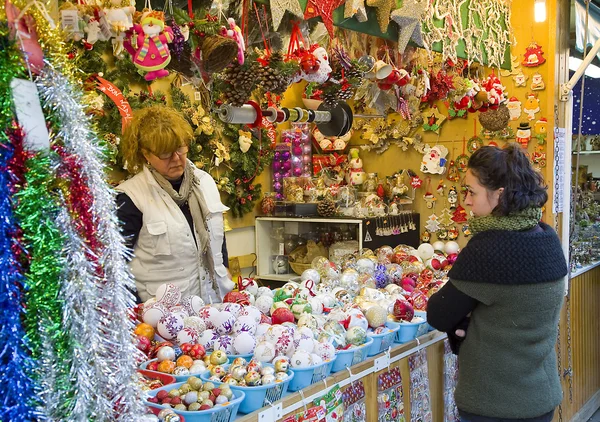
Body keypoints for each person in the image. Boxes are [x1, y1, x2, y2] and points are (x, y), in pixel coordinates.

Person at [427, 144, 568, 422]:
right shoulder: (548, 237)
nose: (465, 201)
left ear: (500, 195)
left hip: (494, 404)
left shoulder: (488, 249)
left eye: (472, 192)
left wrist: (464, 318)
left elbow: (439, 313)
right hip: (541, 397)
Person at [116, 105, 234, 303]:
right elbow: (116, 264)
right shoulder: (131, 197)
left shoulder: (204, 182)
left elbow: (216, 236)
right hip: (164, 316)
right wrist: (138, 310)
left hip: (216, 303)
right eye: (165, 153)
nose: (176, 159)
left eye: (180, 149)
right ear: (145, 154)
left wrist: (225, 268)